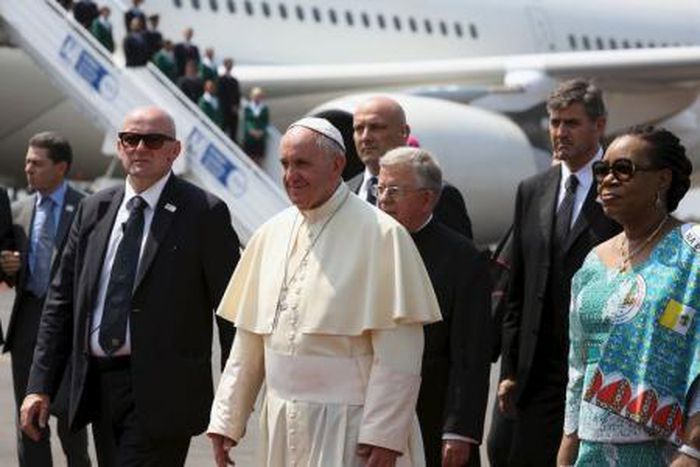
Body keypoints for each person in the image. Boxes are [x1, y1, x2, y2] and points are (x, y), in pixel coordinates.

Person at [207, 117, 441, 467]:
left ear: (337, 165)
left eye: (302, 164)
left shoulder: (383, 235)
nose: (290, 175)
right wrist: (227, 420)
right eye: (285, 164)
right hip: (282, 420)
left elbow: (400, 351)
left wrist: (384, 434)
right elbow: (249, 341)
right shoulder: (270, 234)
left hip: (350, 425)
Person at [20, 107, 241, 466]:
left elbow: (231, 314)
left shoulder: (203, 213)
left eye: (153, 140)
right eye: (130, 139)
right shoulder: (94, 209)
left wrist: (233, 404)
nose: (140, 147)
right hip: (98, 387)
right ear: (120, 146)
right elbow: (60, 303)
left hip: (164, 393)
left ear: (174, 151)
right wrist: (38, 385)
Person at [557, 127, 699, 466]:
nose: (607, 180)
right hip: (591, 448)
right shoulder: (593, 261)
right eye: (602, 171)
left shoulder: (693, 251)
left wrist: (693, 449)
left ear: (662, 180)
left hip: (663, 449)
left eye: (624, 169)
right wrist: (569, 440)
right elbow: (579, 362)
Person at [498, 79, 621, 466]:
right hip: (537, 376)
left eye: (571, 123)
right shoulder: (532, 189)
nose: (559, 133)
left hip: (597, 374)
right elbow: (517, 288)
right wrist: (510, 369)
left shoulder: (620, 186)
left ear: (598, 126)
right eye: (554, 123)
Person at [378, 147, 492, 467]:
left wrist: (459, 429)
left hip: (432, 413)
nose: (383, 199)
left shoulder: (463, 259)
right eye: (380, 188)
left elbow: (470, 354)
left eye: (394, 190)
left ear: (427, 199)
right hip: (372, 412)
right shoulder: (367, 248)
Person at [0, 132, 90, 467]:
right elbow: (10, 268)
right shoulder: (19, 210)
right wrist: (6, 266)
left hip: (68, 328)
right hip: (27, 327)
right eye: (27, 161)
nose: (27, 168)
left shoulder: (86, 207)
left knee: (70, 420)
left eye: (36, 163)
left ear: (61, 167)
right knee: (29, 421)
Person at [351, 96, 473, 239]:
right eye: (359, 129)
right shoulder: (346, 191)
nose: (365, 137)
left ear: (404, 132)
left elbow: (456, 255)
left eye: (376, 127)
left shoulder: (438, 195)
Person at [242, 87, 269, 163]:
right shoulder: (248, 107)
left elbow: (265, 121)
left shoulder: (264, 108)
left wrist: (261, 131)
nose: (257, 98)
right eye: (255, 96)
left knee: (259, 159)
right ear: (252, 96)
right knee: (249, 158)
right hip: (249, 137)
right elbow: (247, 120)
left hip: (260, 137)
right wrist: (252, 131)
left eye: (259, 96)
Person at [217, 57, 241, 142]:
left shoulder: (235, 80)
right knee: (223, 132)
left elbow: (238, 95)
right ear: (224, 65)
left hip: (234, 112)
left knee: (233, 134)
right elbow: (221, 96)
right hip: (224, 111)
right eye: (228, 64)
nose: (230, 66)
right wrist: (230, 107)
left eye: (231, 64)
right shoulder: (220, 79)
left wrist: (236, 107)